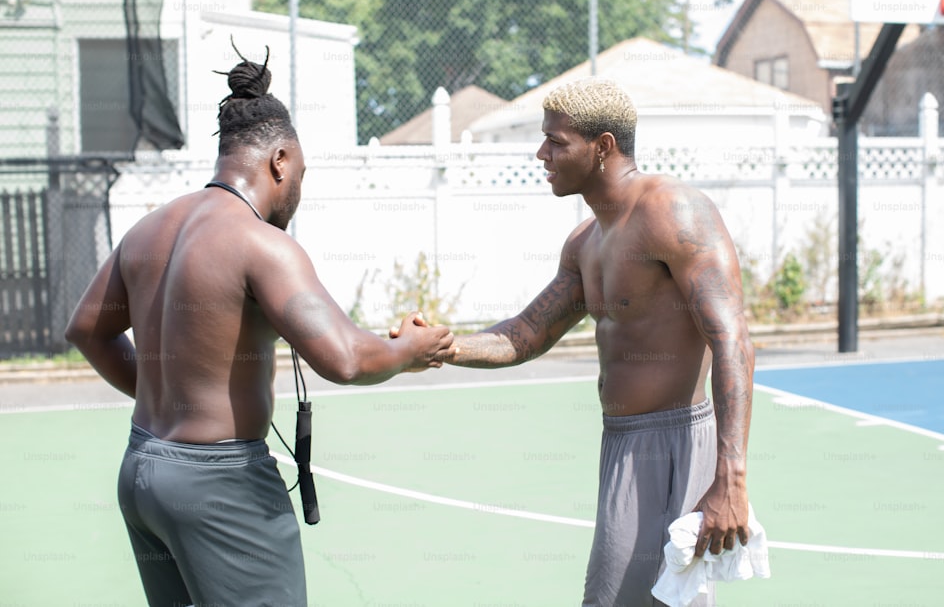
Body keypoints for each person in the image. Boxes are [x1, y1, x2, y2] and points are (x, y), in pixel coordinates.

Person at [64, 47, 454, 607]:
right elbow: (345, 358)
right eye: (300, 174)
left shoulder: (149, 229)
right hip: (221, 487)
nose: (298, 190)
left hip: (143, 471)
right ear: (279, 161)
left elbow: (87, 330)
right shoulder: (263, 245)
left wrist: (163, 393)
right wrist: (412, 346)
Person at [443, 77, 754, 606]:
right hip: (621, 442)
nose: (542, 153)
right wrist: (442, 348)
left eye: (556, 142)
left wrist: (731, 478)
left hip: (673, 443)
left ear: (603, 146)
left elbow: (733, 342)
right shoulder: (585, 242)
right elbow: (523, 335)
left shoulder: (673, 211)